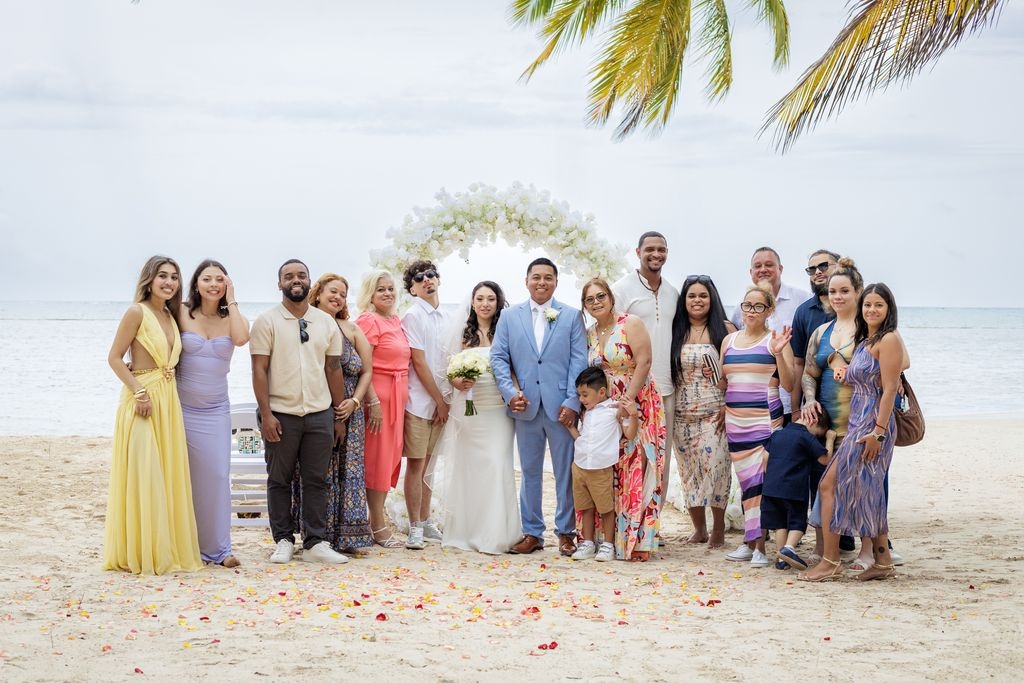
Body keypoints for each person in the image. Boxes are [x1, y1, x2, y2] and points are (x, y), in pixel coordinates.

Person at [103, 255, 202, 575]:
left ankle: (164, 547)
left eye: (174, 277)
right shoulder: (137, 312)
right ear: (149, 279)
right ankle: (140, 551)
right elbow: (115, 358)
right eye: (162, 276)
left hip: (168, 401)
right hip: (142, 401)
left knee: (166, 474)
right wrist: (138, 391)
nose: (169, 282)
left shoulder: (171, 315)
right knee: (145, 475)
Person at [799, 283, 902, 582]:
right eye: (868, 305)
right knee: (868, 491)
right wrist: (842, 369)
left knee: (829, 485)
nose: (872, 310)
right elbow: (865, 380)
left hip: (872, 425)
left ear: (889, 309)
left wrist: (878, 433)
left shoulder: (889, 339)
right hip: (858, 421)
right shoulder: (867, 340)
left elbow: (890, 389)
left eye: (878, 305)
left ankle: (830, 561)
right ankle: (883, 562)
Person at [250, 259, 349, 564]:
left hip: (319, 413)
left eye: (301, 275)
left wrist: (338, 415)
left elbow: (333, 369)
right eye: (289, 276)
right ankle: (282, 539)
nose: (296, 280)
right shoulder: (266, 321)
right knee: (279, 479)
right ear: (279, 284)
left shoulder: (326, 322)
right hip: (280, 414)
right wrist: (266, 414)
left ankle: (315, 543)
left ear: (309, 282)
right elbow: (259, 370)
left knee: (317, 480)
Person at [491, 257, 588, 557]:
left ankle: (566, 532)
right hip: (525, 406)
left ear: (556, 282)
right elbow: (498, 357)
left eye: (548, 277)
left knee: (565, 472)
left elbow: (579, 360)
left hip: (562, 408)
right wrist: (510, 393)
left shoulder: (571, 316)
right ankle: (533, 533)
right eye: (536, 277)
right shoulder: (509, 317)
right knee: (530, 471)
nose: (541, 282)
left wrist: (572, 401)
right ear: (526, 281)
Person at [289, 274, 377, 554]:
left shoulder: (352, 329)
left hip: (351, 411)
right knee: (319, 472)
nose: (337, 297)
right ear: (318, 293)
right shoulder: (306, 324)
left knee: (349, 471)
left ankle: (348, 538)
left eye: (342, 294)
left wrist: (355, 401)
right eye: (333, 291)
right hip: (319, 408)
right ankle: (318, 536)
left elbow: (367, 371)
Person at [434, 281, 522, 555]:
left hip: (498, 409)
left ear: (498, 302)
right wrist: (457, 381)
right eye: (480, 298)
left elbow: (516, 367)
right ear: (472, 302)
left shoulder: (506, 331)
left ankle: (496, 534)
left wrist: (516, 394)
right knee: (468, 468)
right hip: (469, 409)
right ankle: (465, 532)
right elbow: (448, 370)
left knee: (497, 464)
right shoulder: (463, 333)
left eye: (491, 299)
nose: (485, 304)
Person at [580, 278, 666, 561]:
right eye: (590, 299)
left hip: (637, 401)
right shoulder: (590, 333)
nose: (596, 302)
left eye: (600, 296)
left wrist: (627, 401)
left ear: (611, 296)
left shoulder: (631, 323)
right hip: (605, 409)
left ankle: (636, 539)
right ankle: (609, 539)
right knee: (612, 469)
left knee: (636, 467)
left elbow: (644, 362)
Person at [177, 259, 250, 568]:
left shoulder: (232, 318)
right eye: (207, 279)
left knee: (218, 476)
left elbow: (242, 339)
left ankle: (219, 550)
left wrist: (231, 300)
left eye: (220, 279)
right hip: (180, 408)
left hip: (216, 410)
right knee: (182, 477)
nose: (213, 284)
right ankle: (185, 545)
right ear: (196, 283)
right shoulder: (180, 312)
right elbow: (153, 339)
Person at [720, 284, 795, 568]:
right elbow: (725, 382)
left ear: (769, 310)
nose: (751, 311)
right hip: (735, 421)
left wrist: (779, 353)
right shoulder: (729, 341)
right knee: (745, 482)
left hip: (765, 419)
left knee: (759, 482)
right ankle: (749, 541)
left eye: (758, 306)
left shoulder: (774, 340)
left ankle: (760, 548)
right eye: (747, 305)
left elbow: (789, 384)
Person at [801, 258, 869, 566]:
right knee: (823, 484)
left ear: (858, 291)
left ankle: (868, 551)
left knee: (864, 487)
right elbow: (809, 373)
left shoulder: (868, 331)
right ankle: (822, 549)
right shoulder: (821, 332)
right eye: (833, 291)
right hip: (827, 424)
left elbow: (888, 370)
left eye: (844, 291)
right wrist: (809, 400)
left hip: (861, 422)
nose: (838, 297)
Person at [612, 232, 679, 537]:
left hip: (666, 388)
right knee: (628, 457)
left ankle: (652, 527)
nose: (656, 254)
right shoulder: (622, 289)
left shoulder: (673, 293)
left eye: (661, 249)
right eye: (650, 249)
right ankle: (625, 523)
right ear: (637, 252)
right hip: (631, 389)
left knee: (659, 460)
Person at [669, 275, 735, 549]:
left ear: (712, 299)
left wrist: (728, 404)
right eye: (692, 296)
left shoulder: (726, 330)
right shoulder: (675, 330)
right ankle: (699, 529)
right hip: (681, 414)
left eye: (703, 296)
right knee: (689, 472)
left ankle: (719, 528)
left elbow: (737, 374)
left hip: (714, 412)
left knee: (717, 468)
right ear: (684, 300)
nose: (697, 300)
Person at [355, 270, 411, 549]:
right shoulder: (368, 320)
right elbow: (362, 366)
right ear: (370, 294)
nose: (388, 293)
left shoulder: (395, 320)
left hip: (397, 401)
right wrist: (373, 402)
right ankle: (377, 524)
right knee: (377, 461)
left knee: (390, 460)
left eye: (390, 288)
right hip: (378, 402)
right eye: (381, 289)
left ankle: (374, 519)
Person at [400, 261, 450, 550]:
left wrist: (447, 399)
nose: (427, 280)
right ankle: (414, 527)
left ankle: (426, 520)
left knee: (430, 465)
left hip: (442, 402)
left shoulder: (447, 316)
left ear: (438, 280)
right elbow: (418, 362)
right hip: (419, 402)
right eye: (419, 278)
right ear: (412, 289)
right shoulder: (412, 315)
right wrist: (439, 400)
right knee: (417, 465)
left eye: (431, 275)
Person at [566, 366, 639, 562]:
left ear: (601, 392)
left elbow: (630, 434)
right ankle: (588, 543)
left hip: (600, 468)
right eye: (579, 395)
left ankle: (608, 545)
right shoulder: (586, 413)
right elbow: (581, 438)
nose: (581, 399)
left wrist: (633, 415)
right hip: (579, 466)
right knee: (585, 508)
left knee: (606, 508)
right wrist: (571, 428)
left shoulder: (614, 410)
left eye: (585, 394)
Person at [730, 247, 811, 421]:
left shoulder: (803, 300)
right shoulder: (741, 308)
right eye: (757, 266)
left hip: (793, 400)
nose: (763, 270)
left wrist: (799, 406)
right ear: (751, 272)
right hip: (752, 404)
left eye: (769, 265)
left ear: (780, 268)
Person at [762, 410, 831, 571]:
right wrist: (829, 439)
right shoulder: (806, 437)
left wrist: (771, 477)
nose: (816, 436)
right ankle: (789, 548)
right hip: (793, 488)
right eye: (818, 434)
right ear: (813, 421)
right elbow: (825, 459)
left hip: (771, 487)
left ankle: (782, 559)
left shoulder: (778, 434)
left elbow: (765, 458)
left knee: (779, 523)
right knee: (797, 522)